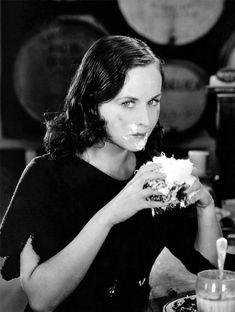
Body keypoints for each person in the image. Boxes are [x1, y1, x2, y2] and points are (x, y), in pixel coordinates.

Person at [0, 35, 221, 312]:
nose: (145, 119)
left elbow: (208, 273)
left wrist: (206, 207)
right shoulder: (46, 176)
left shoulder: (154, 172)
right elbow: (41, 299)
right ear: (92, 104)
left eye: (153, 101)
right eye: (128, 103)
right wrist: (111, 214)